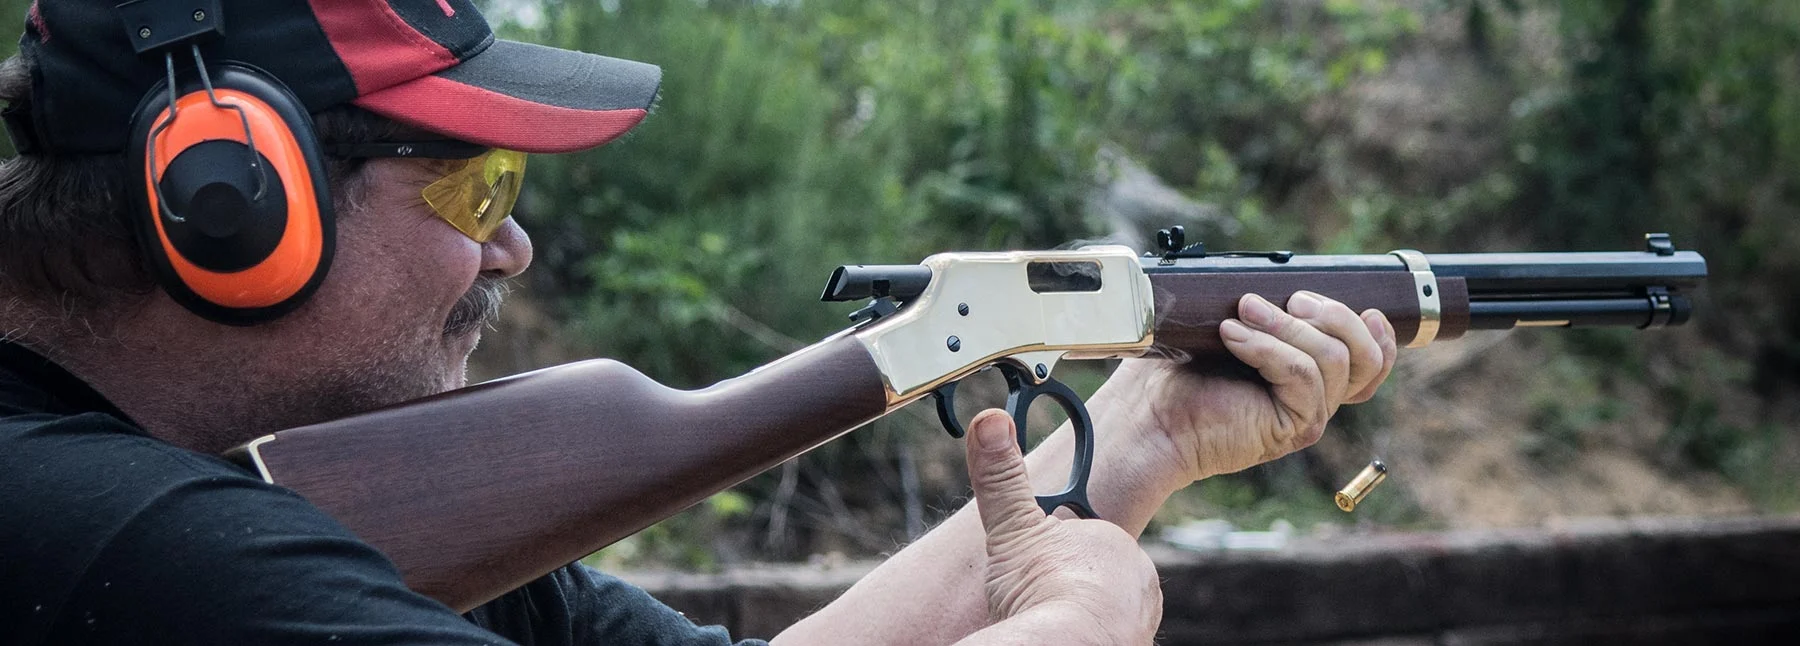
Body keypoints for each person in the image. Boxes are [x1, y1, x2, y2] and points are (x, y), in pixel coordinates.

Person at [0, 1, 1396, 645]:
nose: (512, 242)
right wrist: (1080, 624)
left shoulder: (255, 504)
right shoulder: (117, 542)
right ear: (229, 199)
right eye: (472, 182)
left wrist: (1140, 436)